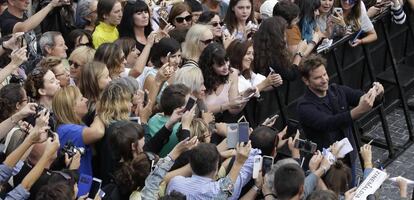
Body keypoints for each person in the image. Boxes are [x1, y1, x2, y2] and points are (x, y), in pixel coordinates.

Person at [296, 54, 384, 184]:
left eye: (325, 74)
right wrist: (358, 110)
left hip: (349, 158)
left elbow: (359, 97)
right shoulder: (304, 106)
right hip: (327, 165)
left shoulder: (337, 90)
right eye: (318, 78)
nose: (324, 79)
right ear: (306, 80)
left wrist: (376, 94)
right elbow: (328, 123)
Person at [166, 142, 260, 199]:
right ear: (216, 169)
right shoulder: (219, 192)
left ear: (190, 164)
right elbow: (254, 156)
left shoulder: (175, 182)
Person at [53, 85, 105, 176]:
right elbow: (98, 132)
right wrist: (99, 112)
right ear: (72, 107)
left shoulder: (75, 125)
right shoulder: (67, 130)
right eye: (81, 99)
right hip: (75, 187)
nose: (86, 99)